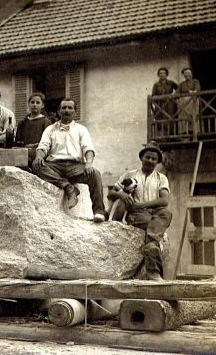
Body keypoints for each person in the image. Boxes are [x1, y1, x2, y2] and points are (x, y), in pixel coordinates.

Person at [31, 99, 106, 223]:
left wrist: (88, 164)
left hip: (75, 166)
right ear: (59, 111)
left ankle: (99, 211)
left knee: (95, 174)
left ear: (75, 112)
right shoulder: (50, 129)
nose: (66, 111)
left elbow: (88, 149)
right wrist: (39, 157)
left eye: (70, 108)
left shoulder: (81, 129)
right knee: (37, 166)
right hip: (55, 166)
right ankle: (68, 187)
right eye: (64, 108)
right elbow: (43, 147)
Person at [108, 142, 172, 281]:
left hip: (153, 212)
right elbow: (111, 193)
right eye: (147, 157)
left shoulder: (161, 178)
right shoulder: (130, 174)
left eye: (154, 159)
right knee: (152, 223)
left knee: (166, 213)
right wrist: (121, 194)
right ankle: (153, 270)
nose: (150, 161)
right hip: (137, 215)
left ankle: (151, 245)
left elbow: (164, 201)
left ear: (157, 162)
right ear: (142, 158)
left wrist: (141, 205)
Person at [15, 92, 52, 163]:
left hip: (38, 154)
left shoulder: (46, 122)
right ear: (29, 104)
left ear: (42, 105)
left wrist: (32, 145)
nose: (35, 105)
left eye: (38, 103)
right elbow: (17, 142)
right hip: (22, 154)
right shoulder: (22, 123)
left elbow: (48, 142)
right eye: (32, 102)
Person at [151, 67, 178, 136]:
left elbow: (178, 89)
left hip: (170, 105)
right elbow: (153, 95)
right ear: (158, 75)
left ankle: (172, 135)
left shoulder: (171, 83)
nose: (162, 75)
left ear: (166, 74)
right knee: (160, 121)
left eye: (164, 73)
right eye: (160, 73)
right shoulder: (156, 85)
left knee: (171, 119)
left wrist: (174, 95)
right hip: (160, 105)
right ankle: (163, 136)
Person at [178, 67, 201, 136]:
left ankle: (195, 131)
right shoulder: (182, 84)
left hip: (193, 102)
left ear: (191, 74)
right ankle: (185, 132)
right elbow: (177, 92)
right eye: (185, 73)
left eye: (188, 73)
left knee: (193, 116)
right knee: (184, 117)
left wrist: (194, 92)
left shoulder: (195, 81)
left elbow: (197, 89)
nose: (187, 75)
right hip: (184, 104)